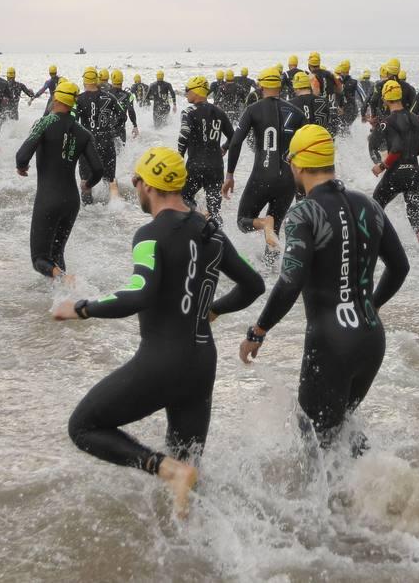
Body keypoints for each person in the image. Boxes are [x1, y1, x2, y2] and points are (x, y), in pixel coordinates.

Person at [55, 147, 266, 517]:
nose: (135, 188)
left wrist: (81, 307)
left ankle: (164, 469)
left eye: (136, 182)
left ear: (146, 184)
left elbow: (140, 293)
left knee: (84, 427)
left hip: (163, 360)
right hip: (202, 361)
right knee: (189, 471)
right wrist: (213, 309)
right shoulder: (212, 232)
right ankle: (194, 546)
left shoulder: (149, 235)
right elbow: (253, 285)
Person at [239, 126, 410, 454]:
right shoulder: (369, 204)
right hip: (371, 337)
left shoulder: (303, 213)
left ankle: (339, 502)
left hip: (332, 343)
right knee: (340, 431)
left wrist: (258, 330)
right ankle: (377, 490)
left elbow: (291, 280)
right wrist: (369, 306)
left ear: (299, 166)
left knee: (314, 442)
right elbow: (400, 267)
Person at [15, 81, 103, 280]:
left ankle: (65, 281)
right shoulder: (83, 132)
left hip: (48, 199)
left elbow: (21, 157)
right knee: (56, 254)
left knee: (39, 259)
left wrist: (22, 168)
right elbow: (97, 169)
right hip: (72, 201)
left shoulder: (44, 122)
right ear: (73, 102)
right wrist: (87, 185)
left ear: (55, 98)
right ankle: (60, 298)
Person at [223, 67, 305, 266]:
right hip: (288, 179)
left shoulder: (253, 110)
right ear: (280, 86)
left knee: (243, 221)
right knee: (274, 231)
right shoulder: (297, 112)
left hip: (262, 176)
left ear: (260, 85)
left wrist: (230, 175)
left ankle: (262, 223)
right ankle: (270, 272)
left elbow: (235, 142)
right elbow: (307, 147)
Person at [370, 80, 419, 241]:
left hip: (395, 173)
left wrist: (381, 166)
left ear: (385, 100)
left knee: (375, 207)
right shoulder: (417, 119)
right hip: (414, 173)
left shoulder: (388, 122)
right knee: (416, 220)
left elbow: (396, 148)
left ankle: (375, 242)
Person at [177, 76, 232, 221]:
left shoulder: (188, 112)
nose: (186, 93)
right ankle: (218, 238)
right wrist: (224, 147)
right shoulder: (219, 112)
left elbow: (184, 135)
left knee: (183, 199)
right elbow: (234, 137)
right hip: (216, 168)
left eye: (187, 90)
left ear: (196, 92)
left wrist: (179, 157)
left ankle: (197, 220)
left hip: (195, 167)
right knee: (215, 210)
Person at [75, 69, 126, 202]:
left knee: (86, 180)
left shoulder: (79, 99)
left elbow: (73, 122)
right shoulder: (110, 97)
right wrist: (112, 129)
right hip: (106, 141)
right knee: (110, 179)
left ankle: (89, 210)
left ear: (84, 81)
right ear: (96, 80)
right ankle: (115, 207)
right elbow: (122, 116)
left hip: (87, 144)